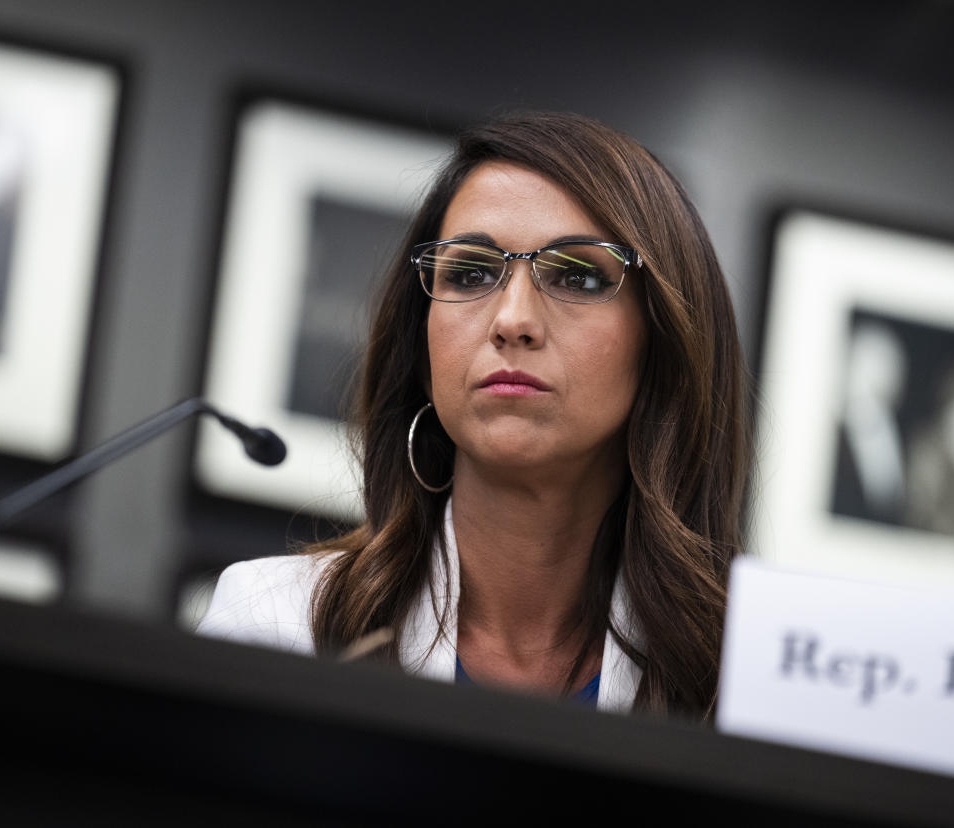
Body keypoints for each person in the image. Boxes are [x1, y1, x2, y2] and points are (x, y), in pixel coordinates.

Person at [197, 111, 751, 721]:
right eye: (470, 272)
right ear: (423, 341)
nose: (513, 320)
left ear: (662, 339)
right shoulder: (278, 622)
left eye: (578, 276)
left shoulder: (744, 677)